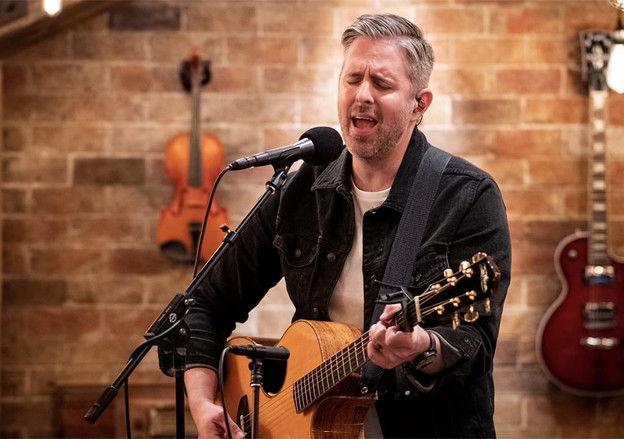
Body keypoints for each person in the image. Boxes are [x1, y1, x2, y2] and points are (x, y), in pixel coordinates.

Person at [184, 13, 511, 438]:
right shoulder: (300, 191)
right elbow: (206, 303)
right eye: (352, 79)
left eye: (382, 84)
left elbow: (475, 343)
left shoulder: (468, 195)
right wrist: (203, 404)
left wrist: (421, 347)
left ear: (419, 104)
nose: (362, 95)